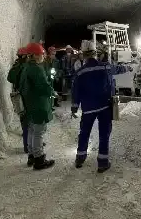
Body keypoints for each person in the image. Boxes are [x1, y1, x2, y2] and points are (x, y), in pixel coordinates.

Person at [71, 40, 132, 173]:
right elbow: (119, 69)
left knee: (84, 133)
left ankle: (80, 158)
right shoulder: (104, 67)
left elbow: (75, 91)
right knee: (104, 134)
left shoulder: (80, 73)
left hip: (88, 109)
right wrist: (129, 67)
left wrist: (74, 107)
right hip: (104, 106)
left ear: (84, 55)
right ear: (95, 53)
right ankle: (103, 163)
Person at [18, 42, 56, 170]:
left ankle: (32, 155)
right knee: (39, 132)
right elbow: (44, 87)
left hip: (29, 104)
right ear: (35, 55)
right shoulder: (36, 69)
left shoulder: (26, 67)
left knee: (32, 131)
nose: (42, 56)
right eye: (40, 54)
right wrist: (52, 92)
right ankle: (39, 159)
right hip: (38, 104)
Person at [7, 47, 29, 154]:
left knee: (23, 119)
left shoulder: (16, 66)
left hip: (18, 95)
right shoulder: (26, 67)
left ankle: (28, 143)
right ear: (25, 56)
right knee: (29, 122)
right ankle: (29, 145)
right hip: (26, 96)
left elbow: (9, 78)